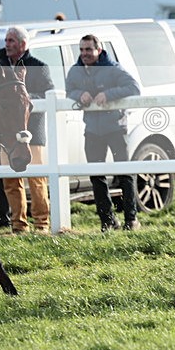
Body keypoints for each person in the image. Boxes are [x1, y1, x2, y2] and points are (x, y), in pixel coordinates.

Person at [66, 34, 142, 231]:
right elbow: (69, 91)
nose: (84, 53)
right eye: (81, 49)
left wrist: (108, 94)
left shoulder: (113, 68)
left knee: (124, 174)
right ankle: (107, 221)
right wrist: (79, 95)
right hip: (92, 130)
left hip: (116, 128)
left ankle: (131, 219)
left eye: (88, 49)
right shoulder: (75, 71)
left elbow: (134, 88)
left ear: (98, 50)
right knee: (96, 176)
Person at [0, 26, 53, 233]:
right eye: (6, 40)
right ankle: (18, 224)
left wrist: (22, 99)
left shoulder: (39, 66)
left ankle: (42, 223)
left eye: (11, 41)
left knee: (36, 179)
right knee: (10, 180)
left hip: (32, 131)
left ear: (23, 44)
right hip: (7, 133)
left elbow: (48, 93)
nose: (7, 44)